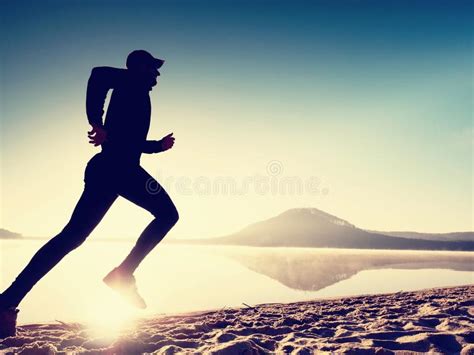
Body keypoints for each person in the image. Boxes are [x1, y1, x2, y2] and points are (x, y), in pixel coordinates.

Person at [0, 50, 179, 338]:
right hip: (121, 170)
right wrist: (96, 121)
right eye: (152, 68)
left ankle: (7, 301)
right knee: (168, 215)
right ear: (137, 67)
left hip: (109, 168)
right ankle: (123, 274)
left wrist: (157, 146)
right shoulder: (128, 81)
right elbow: (98, 74)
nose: (156, 73)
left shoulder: (136, 94)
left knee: (71, 237)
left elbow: (129, 141)